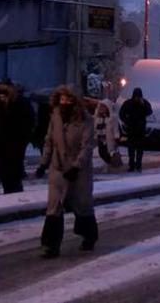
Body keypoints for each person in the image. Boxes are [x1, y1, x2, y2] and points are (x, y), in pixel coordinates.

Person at [35, 86, 97, 258]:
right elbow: (49, 141)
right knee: (54, 207)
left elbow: (87, 146)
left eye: (68, 100)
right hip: (58, 169)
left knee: (82, 205)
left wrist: (77, 166)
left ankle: (89, 236)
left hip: (78, 172)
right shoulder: (55, 117)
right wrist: (43, 163)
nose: (64, 104)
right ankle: (51, 245)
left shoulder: (85, 120)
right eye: (62, 100)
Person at [0, 81, 36, 194]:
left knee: (14, 173)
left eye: (4, 94)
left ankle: (16, 197)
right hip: (0, 144)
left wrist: (23, 138)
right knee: (4, 173)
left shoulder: (20, 103)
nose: (2, 97)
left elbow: (30, 122)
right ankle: (9, 194)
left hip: (15, 143)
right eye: (0, 95)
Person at [119, 88, 153, 172]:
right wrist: (126, 121)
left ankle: (138, 165)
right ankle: (132, 165)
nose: (137, 98)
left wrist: (143, 104)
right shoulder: (128, 103)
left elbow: (149, 111)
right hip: (132, 129)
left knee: (139, 150)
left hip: (140, 130)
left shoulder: (144, 103)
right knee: (131, 150)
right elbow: (121, 113)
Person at [94, 99, 121, 169]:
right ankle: (109, 163)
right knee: (101, 152)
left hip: (109, 139)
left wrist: (117, 137)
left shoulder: (112, 118)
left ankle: (111, 164)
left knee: (109, 152)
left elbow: (115, 128)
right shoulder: (97, 118)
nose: (102, 109)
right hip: (100, 139)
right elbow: (95, 128)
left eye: (104, 107)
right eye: (101, 107)